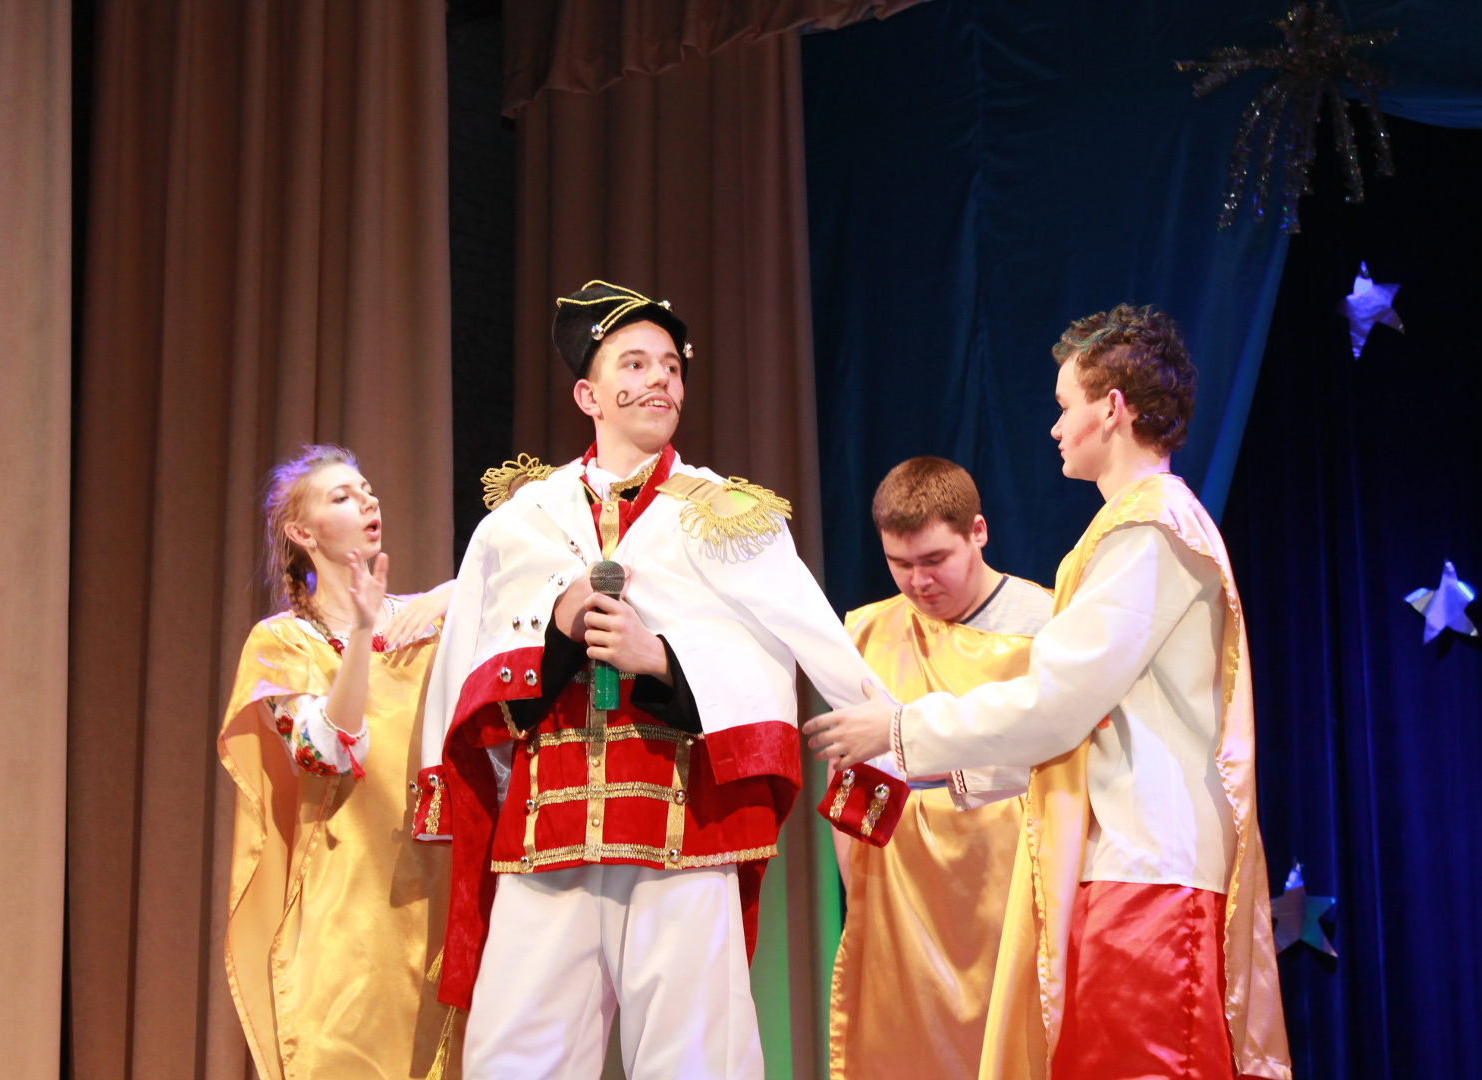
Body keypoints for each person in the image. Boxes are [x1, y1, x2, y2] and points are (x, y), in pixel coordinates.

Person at [806, 305, 1292, 1080]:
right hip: (1124, 865)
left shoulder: (1149, 529)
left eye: (1066, 406)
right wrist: (946, 770)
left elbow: (1058, 705)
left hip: (1147, 870)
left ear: (1112, 408)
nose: (1057, 428)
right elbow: (1090, 727)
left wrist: (900, 731)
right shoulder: (1131, 528)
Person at [415, 281, 882, 1080]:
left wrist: (661, 656)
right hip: (547, 833)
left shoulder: (728, 517)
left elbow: (800, 646)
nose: (660, 378)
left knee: (695, 1059)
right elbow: (472, 656)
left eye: (671, 365)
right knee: (515, 1058)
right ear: (588, 395)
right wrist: (553, 617)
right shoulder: (521, 522)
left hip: (683, 832)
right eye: (634, 363)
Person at [218, 444, 460, 1080]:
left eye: (368, 490)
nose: (367, 501)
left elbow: (533, 597)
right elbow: (325, 753)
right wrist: (359, 632)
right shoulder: (283, 641)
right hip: (347, 904)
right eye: (342, 496)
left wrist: (455, 590)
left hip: (438, 889)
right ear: (303, 533)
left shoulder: (430, 619)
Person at [829, 456, 1053, 1080]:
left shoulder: (1046, 627)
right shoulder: (868, 633)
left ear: (978, 532)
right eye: (899, 564)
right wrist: (861, 891)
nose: (918, 582)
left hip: (1009, 895)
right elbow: (851, 775)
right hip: (901, 906)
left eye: (934, 560)